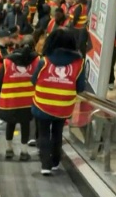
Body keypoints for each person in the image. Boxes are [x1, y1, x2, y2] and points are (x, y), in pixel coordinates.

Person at [31, 29, 86, 175]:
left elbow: (33, 80)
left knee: (43, 133)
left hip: (42, 103)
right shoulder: (79, 63)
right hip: (64, 105)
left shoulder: (44, 61)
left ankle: (45, 165)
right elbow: (80, 87)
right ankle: (55, 161)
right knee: (57, 132)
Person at [0, 44, 40, 162]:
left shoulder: (7, 63)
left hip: (9, 101)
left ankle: (9, 149)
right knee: (25, 125)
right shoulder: (36, 62)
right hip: (28, 101)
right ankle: (24, 152)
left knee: (10, 124)